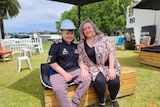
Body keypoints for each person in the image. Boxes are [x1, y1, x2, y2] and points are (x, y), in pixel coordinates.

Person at [77, 19, 120, 107]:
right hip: (93, 68)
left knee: (114, 80)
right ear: (82, 32)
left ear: (93, 28)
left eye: (89, 27)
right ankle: (102, 102)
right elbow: (80, 59)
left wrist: (111, 69)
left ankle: (113, 99)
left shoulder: (104, 39)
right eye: (85, 29)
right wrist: (83, 69)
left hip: (107, 65)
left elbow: (111, 53)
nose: (87, 30)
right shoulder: (81, 44)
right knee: (100, 81)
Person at [48, 19, 91, 107]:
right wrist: (65, 74)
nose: (70, 36)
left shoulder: (75, 46)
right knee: (58, 89)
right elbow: (51, 62)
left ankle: (74, 103)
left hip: (74, 69)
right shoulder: (56, 45)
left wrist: (83, 69)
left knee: (87, 79)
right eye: (67, 33)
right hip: (58, 72)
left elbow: (79, 59)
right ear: (62, 33)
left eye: (71, 33)